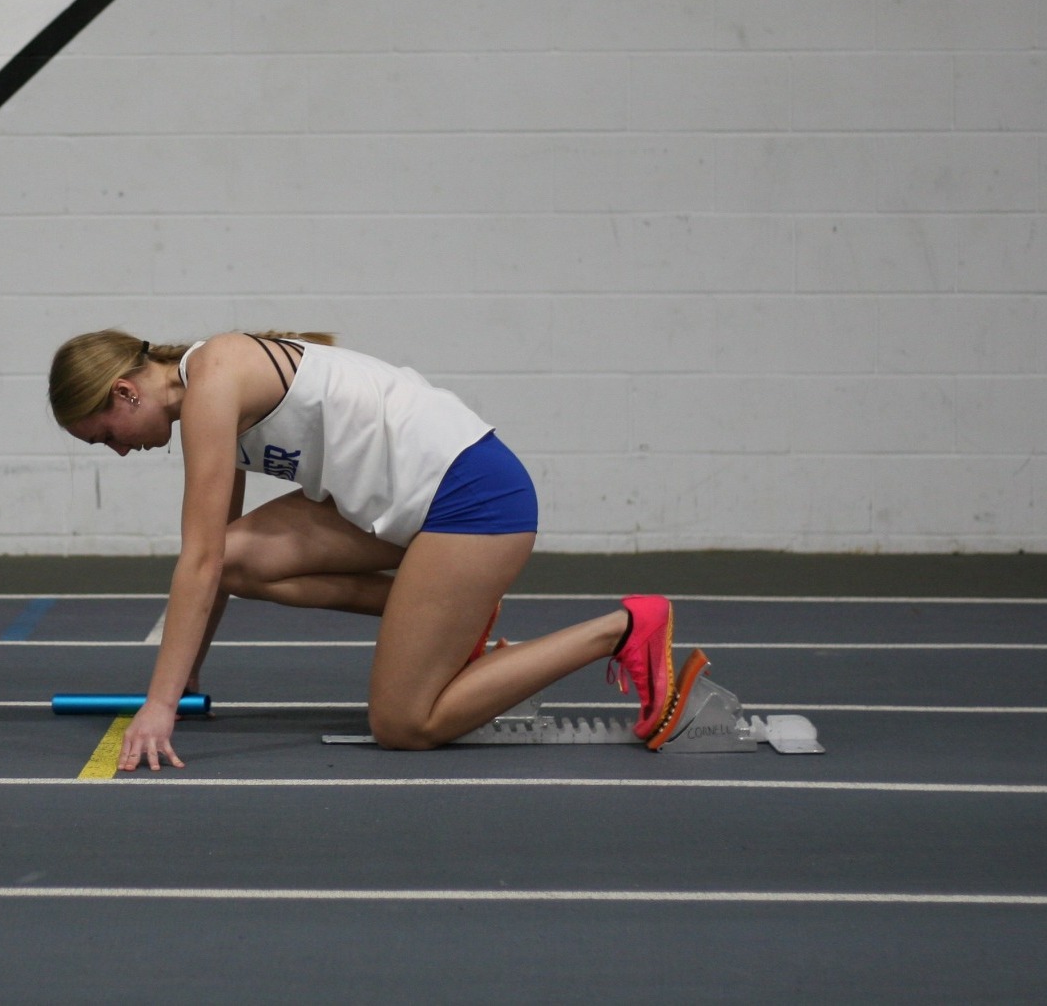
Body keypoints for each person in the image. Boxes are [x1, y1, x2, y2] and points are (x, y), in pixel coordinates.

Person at [48, 329, 681, 771]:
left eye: (107, 437)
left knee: (404, 726)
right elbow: (218, 558)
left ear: (126, 393)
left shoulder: (214, 379)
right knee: (241, 556)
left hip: (472, 501)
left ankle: (623, 628)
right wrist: (183, 680)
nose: (120, 452)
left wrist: (158, 707)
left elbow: (197, 559)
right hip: (402, 505)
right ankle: (439, 618)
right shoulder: (206, 394)